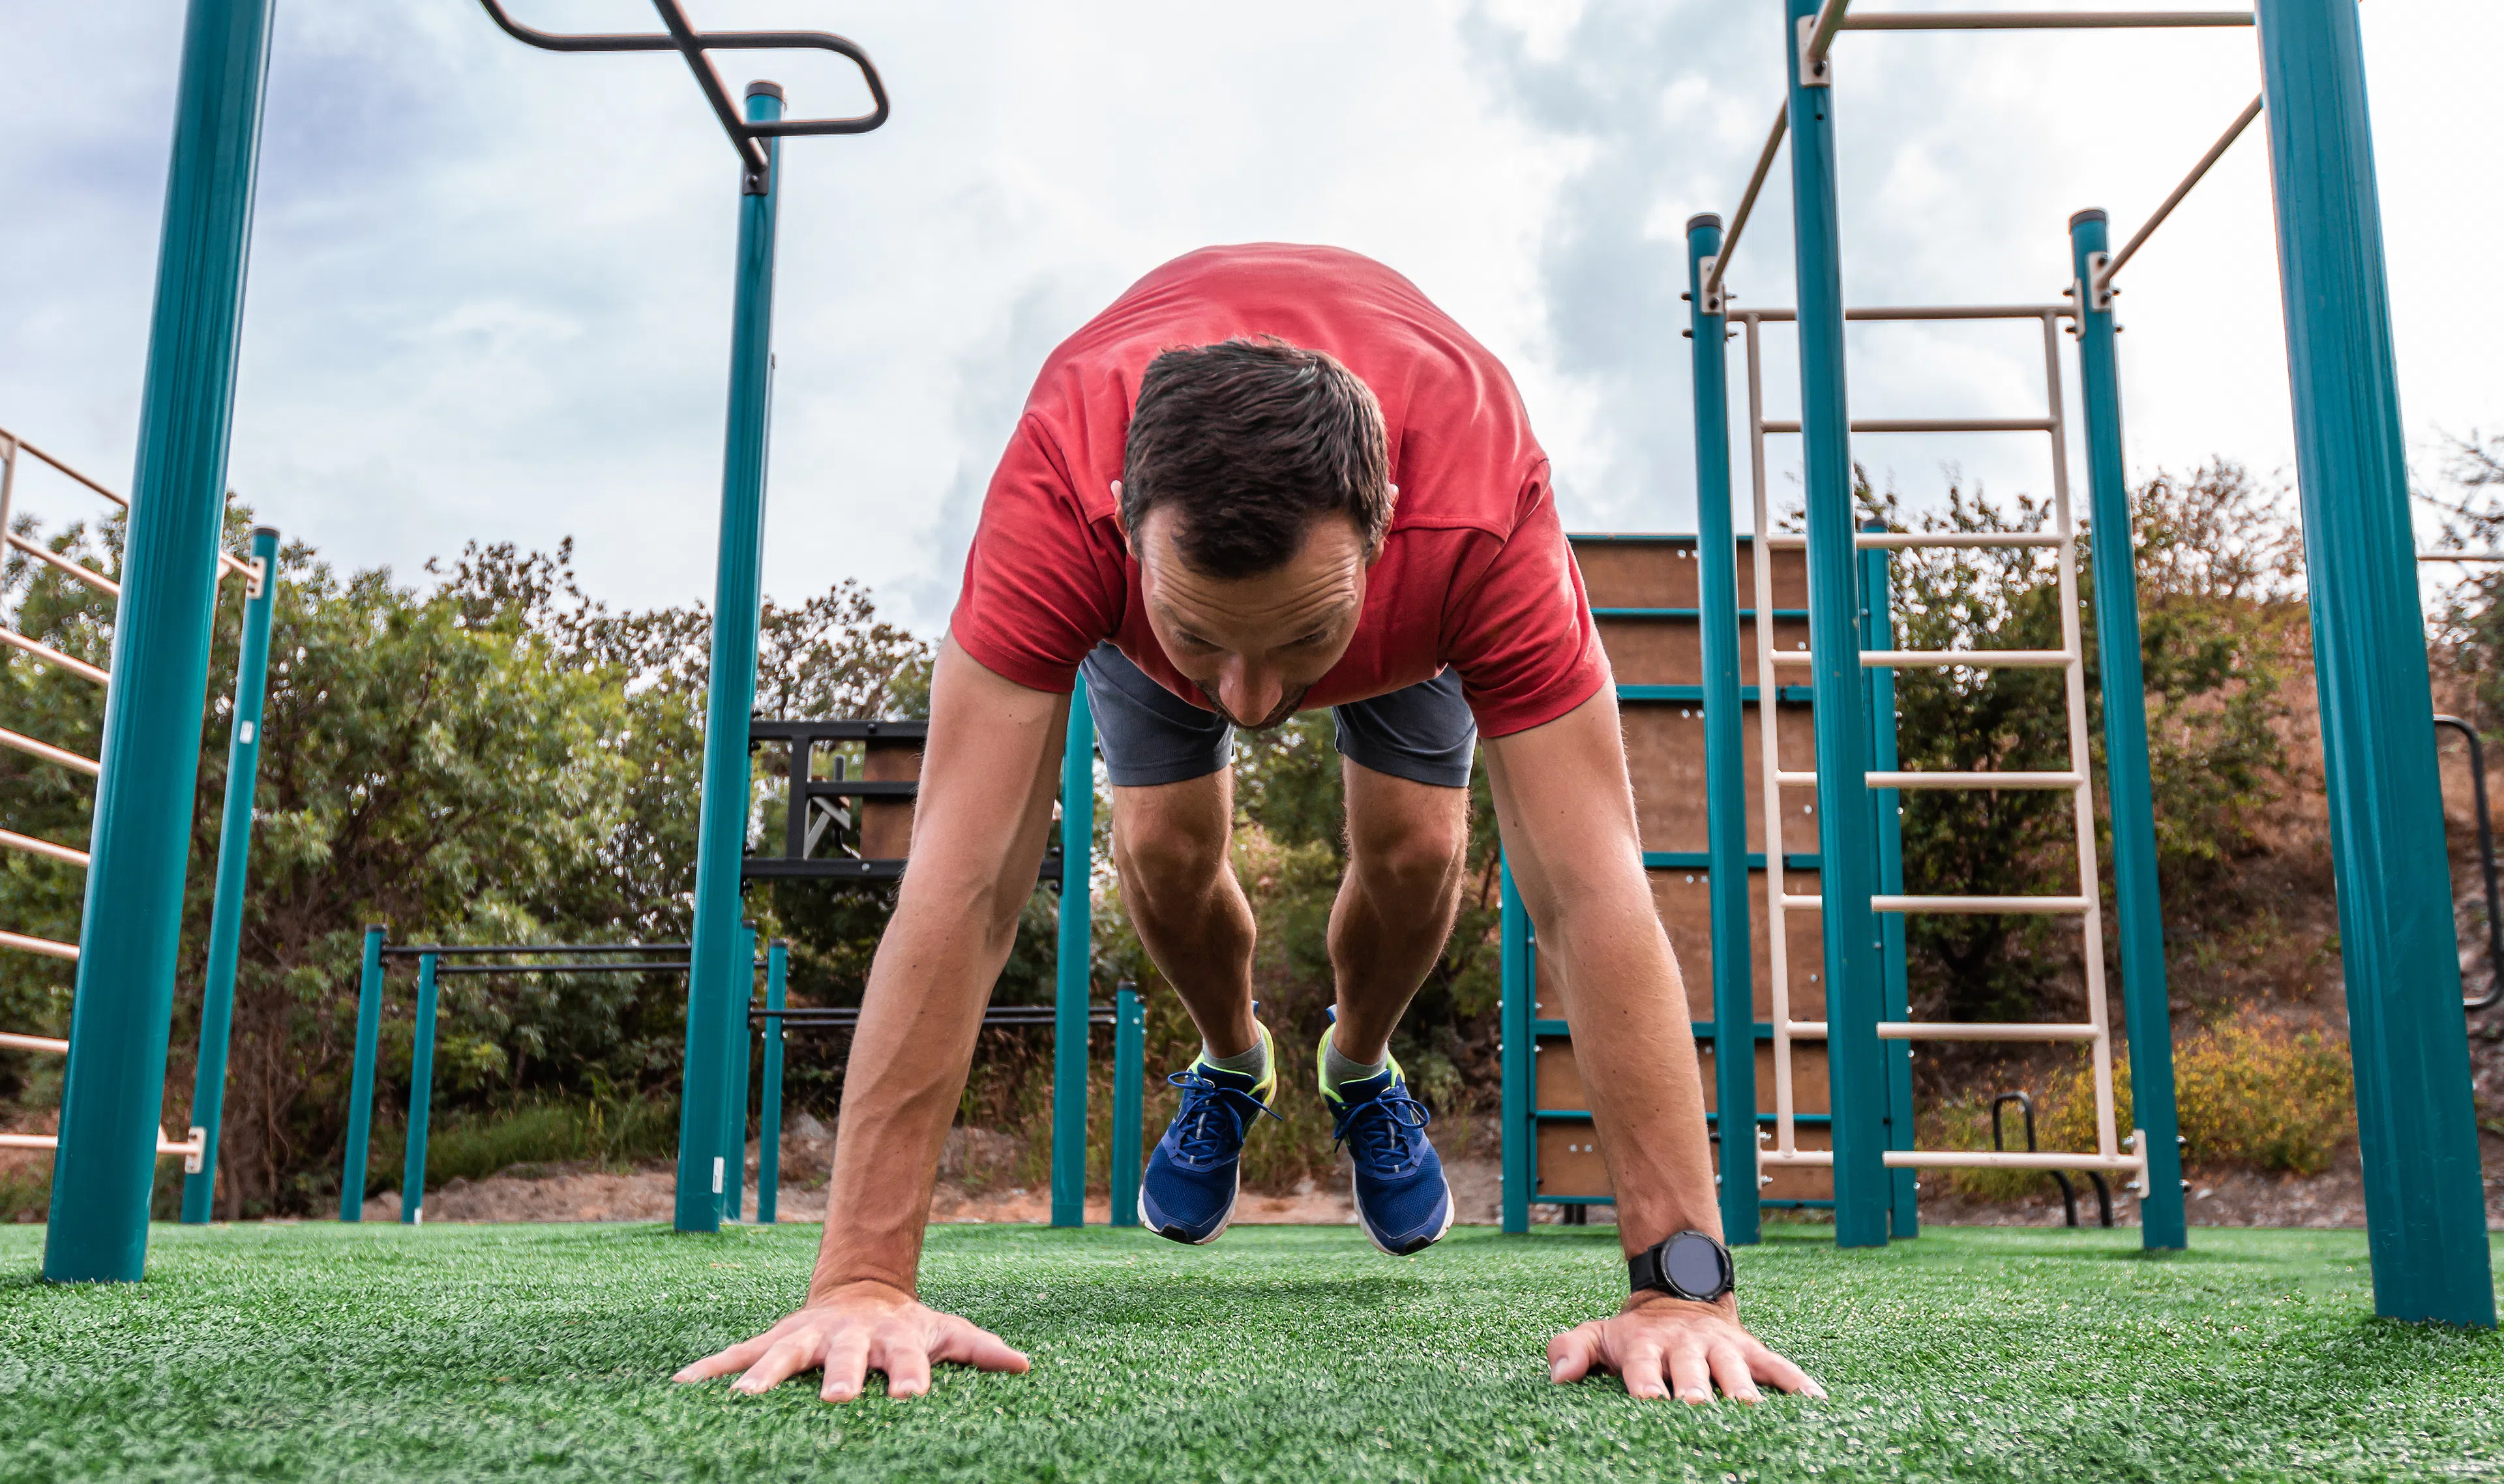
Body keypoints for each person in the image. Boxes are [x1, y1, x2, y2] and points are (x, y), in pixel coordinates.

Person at [677, 245, 1821, 1405]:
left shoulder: (1477, 510)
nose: (1255, 703)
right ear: (1125, 525)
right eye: (1212, 645)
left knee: (1422, 851)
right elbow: (963, 885)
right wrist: (862, 1281)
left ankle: (1360, 1066)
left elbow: (1589, 886)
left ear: (1385, 529)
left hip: (1384, 615)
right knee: (1166, 849)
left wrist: (1684, 1291)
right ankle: (1233, 1061)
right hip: (1167, 615)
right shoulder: (1062, 491)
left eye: (1295, 648)